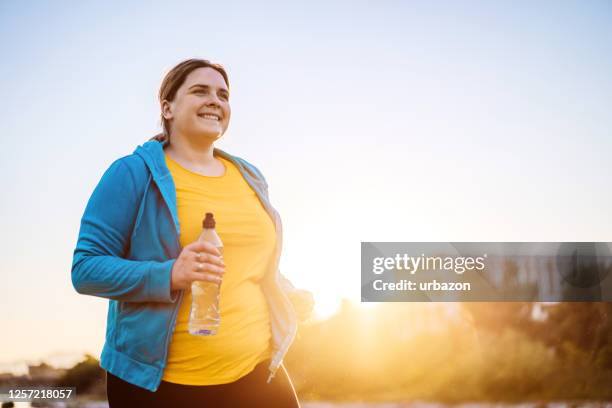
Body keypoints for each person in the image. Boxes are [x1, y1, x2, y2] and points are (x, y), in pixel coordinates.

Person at [71, 58, 314, 407]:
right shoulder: (132, 173)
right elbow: (85, 269)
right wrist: (170, 274)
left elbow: (249, 262)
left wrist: (285, 292)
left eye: (223, 94)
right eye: (200, 91)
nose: (215, 100)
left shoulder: (249, 177)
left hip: (256, 371)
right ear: (167, 108)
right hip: (159, 384)